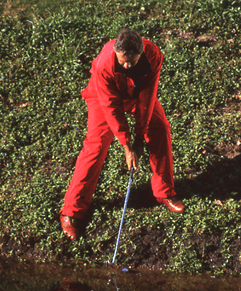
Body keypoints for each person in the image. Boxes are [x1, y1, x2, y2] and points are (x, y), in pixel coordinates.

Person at [60, 29, 185, 240]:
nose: (126, 65)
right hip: (103, 96)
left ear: (141, 53)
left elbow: (147, 97)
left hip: (135, 94)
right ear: (116, 52)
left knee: (160, 128)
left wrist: (139, 137)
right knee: (96, 145)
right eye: (122, 61)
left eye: (132, 62)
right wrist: (127, 145)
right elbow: (111, 107)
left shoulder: (153, 55)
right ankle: (71, 212)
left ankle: (164, 192)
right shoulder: (104, 64)